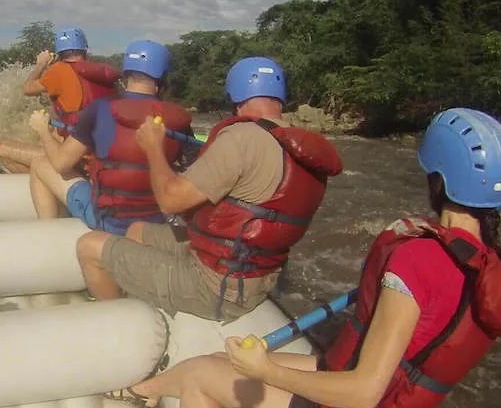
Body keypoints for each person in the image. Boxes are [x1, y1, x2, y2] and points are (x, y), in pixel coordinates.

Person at [122, 108, 501, 408]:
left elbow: (363, 391)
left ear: (436, 181)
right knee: (215, 359)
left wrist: (266, 371)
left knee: (204, 376)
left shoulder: (418, 260)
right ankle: (146, 391)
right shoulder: (490, 265)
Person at [79, 57, 342, 322]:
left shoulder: (241, 138)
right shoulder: (304, 148)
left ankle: (117, 327)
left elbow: (170, 201)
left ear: (237, 96)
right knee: (136, 230)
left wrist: (153, 148)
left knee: (88, 246)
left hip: (215, 287)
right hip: (250, 274)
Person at [26, 40, 192, 234]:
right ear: (163, 79)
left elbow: (61, 163)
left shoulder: (100, 110)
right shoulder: (180, 118)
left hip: (111, 222)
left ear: (127, 74)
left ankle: (48, 238)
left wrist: (43, 131)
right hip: (157, 222)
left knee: (40, 164)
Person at [0, 27, 120, 173]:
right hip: (101, 155)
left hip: (77, 158)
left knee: (2, 149)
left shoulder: (59, 70)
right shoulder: (104, 74)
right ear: (85, 50)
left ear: (59, 54)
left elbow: (27, 89)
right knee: (53, 131)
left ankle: (48, 185)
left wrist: (41, 64)